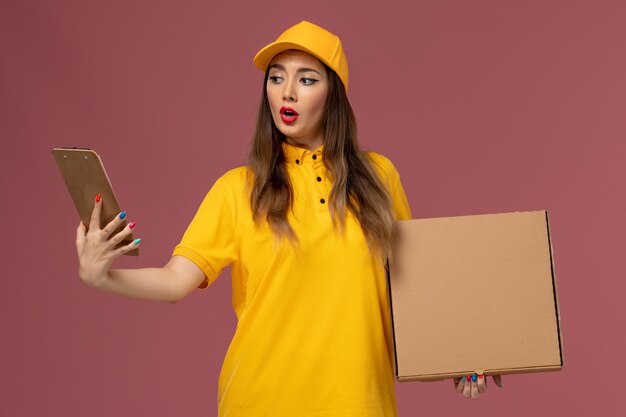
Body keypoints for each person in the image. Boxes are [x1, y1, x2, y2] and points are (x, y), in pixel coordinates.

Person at [75, 21, 501, 416]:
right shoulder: (238, 189)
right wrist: (102, 277)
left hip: (359, 404)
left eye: (307, 79)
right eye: (276, 77)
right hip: (259, 402)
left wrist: (460, 356)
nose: (287, 92)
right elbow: (173, 282)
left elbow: (410, 294)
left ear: (333, 94)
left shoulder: (379, 179)